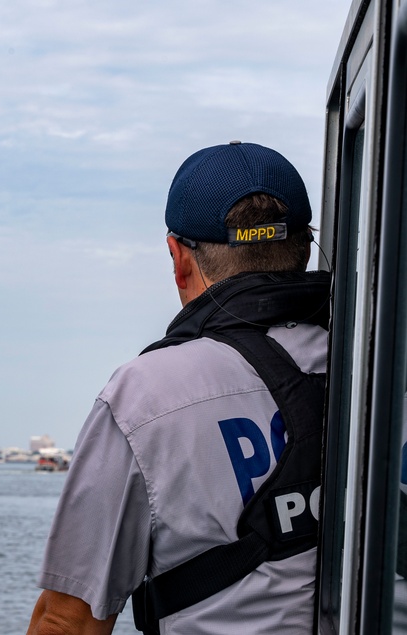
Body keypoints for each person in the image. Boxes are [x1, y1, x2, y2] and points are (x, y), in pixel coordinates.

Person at [26, 141, 330, 635]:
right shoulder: (380, 371)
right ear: (303, 247)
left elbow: (69, 623)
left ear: (178, 258)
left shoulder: (146, 397)